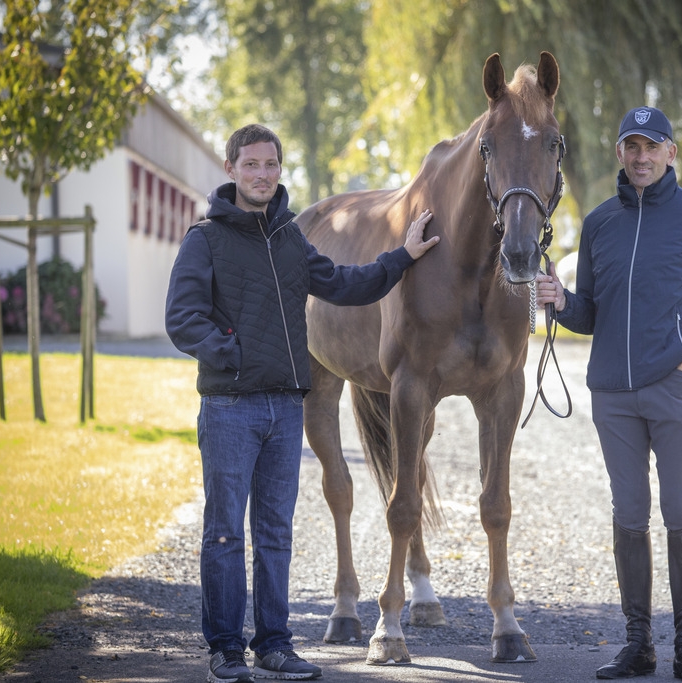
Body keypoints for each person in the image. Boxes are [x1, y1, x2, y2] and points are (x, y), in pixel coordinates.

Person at [165, 123, 439, 683]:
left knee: (275, 534)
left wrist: (403, 257)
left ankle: (274, 644)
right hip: (230, 407)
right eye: (251, 164)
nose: (262, 174)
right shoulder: (205, 239)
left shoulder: (290, 239)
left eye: (270, 164)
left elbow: (346, 283)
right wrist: (231, 354)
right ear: (231, 170)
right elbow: (181, 317)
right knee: (224, 533)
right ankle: (225, 649)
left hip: (286, 410)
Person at [536, 106, 682, 682]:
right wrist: (561, 301)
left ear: (670, 153)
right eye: (631, 147)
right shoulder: (599, 224)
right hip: (612, 396)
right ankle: (639, 644)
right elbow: (592, 313)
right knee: (629, 514)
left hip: (676, 388)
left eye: (651, 146)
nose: (641, 157)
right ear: (619, 153)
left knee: (679, 511)